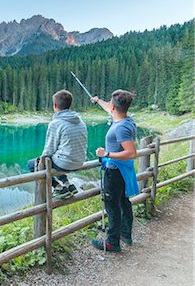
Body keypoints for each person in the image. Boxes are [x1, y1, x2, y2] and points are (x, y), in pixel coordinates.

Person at [90, 90, 138, 252]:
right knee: (124, 202)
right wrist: (98, 100)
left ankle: (112, 242)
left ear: (113, 107)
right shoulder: (127, 120)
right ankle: (125, 234)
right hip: (122, 171)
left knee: (112, 206)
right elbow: (109, 108)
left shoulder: (120, 128)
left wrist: (107, 154)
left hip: (115, 172)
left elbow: (131, 153)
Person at [27, 90, 87, 200]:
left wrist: (41, 160)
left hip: (66, 163)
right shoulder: (80, 121)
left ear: (55, 105)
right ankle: (69, 185)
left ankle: (59, 188)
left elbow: (49, 150)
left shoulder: (56, 123)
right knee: (57, 158)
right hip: (80, 161)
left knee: (32, 164)